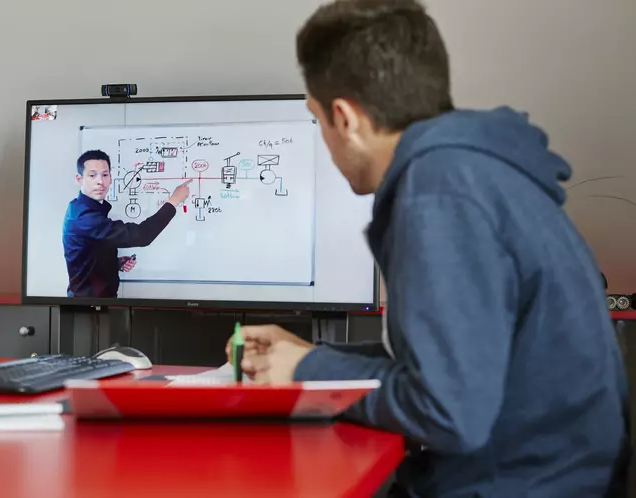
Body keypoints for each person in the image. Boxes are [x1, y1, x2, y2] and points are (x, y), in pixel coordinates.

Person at [228, 0, 630, 496]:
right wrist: (308, 354)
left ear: (345, 118)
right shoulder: (476, 168)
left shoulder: (439, 192)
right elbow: (453, 360)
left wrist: (311, 371)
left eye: (317, 121)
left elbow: (447, 409)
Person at [63, 149, 191, 298]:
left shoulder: (84, 208)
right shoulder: (84, 216)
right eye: (92, 175)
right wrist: (174, 200)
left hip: (96, 302)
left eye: (105, 175)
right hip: (87, 307)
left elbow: (89, 253)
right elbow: (141, 236)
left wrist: (114, 263)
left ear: (110, 178)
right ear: (79, 179)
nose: (100, 181)